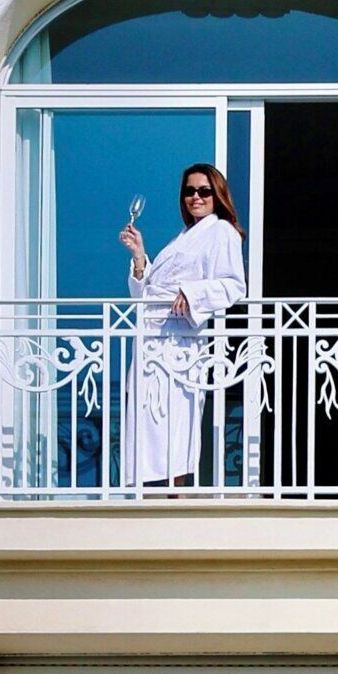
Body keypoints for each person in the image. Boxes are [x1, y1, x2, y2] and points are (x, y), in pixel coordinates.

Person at [118, 163, 246, 488]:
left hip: (180, 344)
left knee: (175, 422)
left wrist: (192, 293)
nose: (196, 197)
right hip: (151, 343)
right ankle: (145, 501)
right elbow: (146, 294)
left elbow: (233, 285)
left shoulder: (222, 231)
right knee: (146, 424)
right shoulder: (183, 238)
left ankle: (177, 497)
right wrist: (139, 256)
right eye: (189, 191)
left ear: (216, 195)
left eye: (203, 191)